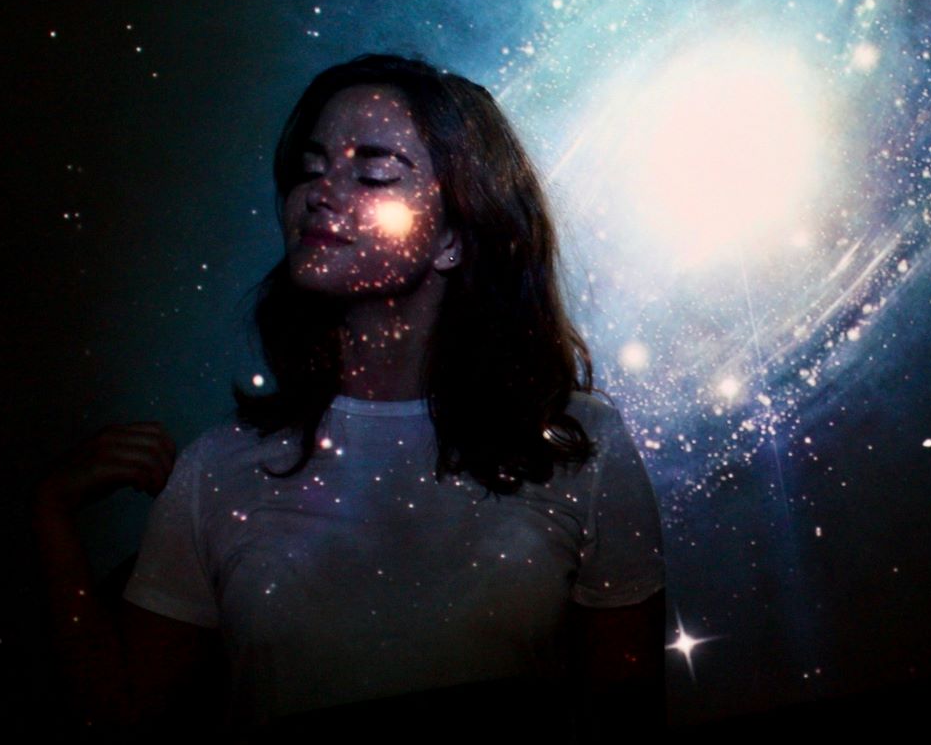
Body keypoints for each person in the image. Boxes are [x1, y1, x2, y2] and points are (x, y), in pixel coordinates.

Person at [32, 54, 667, 740]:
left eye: (373, 174)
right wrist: (51, 517)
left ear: (454, 237)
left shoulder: (577, 446)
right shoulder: (215, 469)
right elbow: (117, 723)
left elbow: (626, 719)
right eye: (310, 168)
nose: (320, 193)